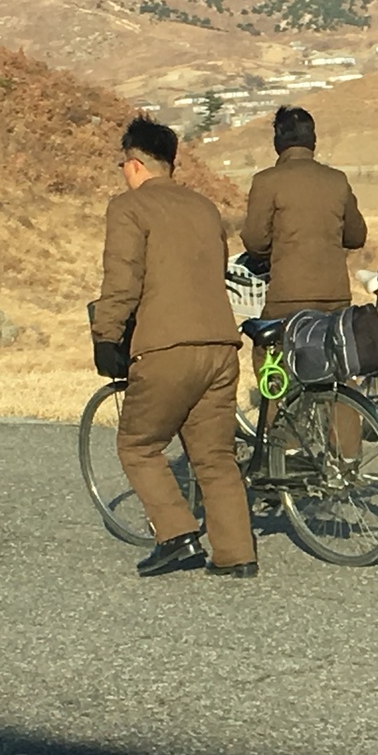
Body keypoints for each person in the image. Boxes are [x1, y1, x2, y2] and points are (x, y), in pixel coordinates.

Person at [91, 117, 258, 579]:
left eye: (123, 163)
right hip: (221, 346)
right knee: (215, 455)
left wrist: (107, 335)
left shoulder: (128, 207)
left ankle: (176, 534)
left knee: (138, 444)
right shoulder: (205, 209)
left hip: (167, 347)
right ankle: (236, 553)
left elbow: (123, 279)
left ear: (135, 163)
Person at [241, 105, 368, 320]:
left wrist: (275, 253)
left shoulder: (266, 181)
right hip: (336, 297)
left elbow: (255, 241)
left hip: (287, 296)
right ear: (313, 140)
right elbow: (356, 237)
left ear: (277, 143)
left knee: (267, 349)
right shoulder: (337, 180)